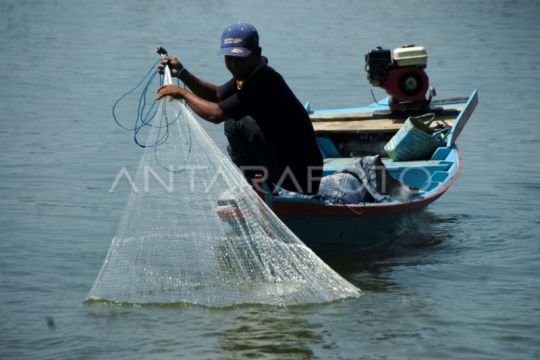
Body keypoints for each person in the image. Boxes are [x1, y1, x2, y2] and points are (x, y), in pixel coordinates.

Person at [157, 22, 323, 195]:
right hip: (296, 169)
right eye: (229, 59)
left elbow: (216, 114)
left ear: (257, 53)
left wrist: (182, 93)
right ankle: (263, 185)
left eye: (240, 59)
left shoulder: (263, 83)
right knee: (236, 121)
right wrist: (182, 73)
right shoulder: (251, 73)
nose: (234, 65)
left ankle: (263, 189)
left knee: (234, 122)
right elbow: (219, 95)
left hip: (301, 178)